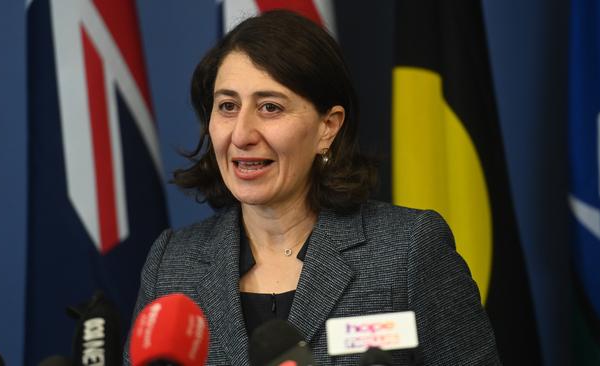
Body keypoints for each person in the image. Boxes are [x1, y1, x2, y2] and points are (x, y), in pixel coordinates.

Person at [125, 10, 500, 365]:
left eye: (270, 107)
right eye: (227, 106)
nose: (241, 134)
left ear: (328, 127)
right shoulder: (172, 265)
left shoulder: (408, 251)